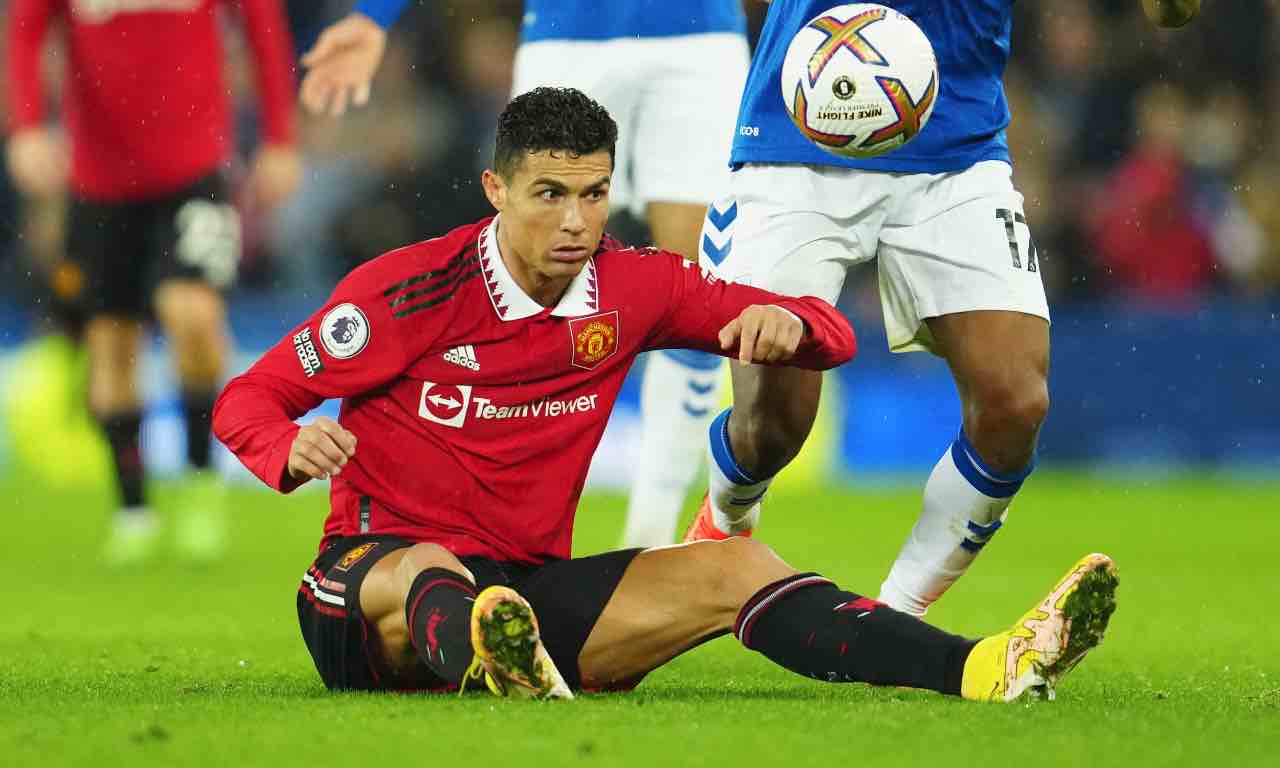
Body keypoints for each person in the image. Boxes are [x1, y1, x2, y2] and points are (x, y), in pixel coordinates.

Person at [213, 87, 1118, 701]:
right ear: (496, 189)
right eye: (549, 194)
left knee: (735, 566)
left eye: (596, 193)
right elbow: (248, 399)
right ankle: (493, 664)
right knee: (431, 571)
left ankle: (990, 668)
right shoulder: (407, 290)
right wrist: (284, 447)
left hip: (527, 595)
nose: (576, 221)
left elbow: (828, 328)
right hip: (364, 588)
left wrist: (794, 330)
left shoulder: (633, 287)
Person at [683, 0, 1199, 619]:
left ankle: (895, 619)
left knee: (1015, 404)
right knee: (773, 425)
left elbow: (1169, 14)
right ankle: (725, 514)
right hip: (799, 129)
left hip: (955, 147)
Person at [296, 0, 752, 547]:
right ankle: (497, 527)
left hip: (699, 37)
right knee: (529, 272)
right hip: (569, 33)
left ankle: (649, 539)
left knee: (694, 280)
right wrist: (375, 15)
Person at [6, 0, 303, 563]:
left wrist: (280, 138)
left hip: (194, 172)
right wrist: (25, 128)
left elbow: (264, 28)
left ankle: (199, 480)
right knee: (113, 348)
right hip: (99, 183)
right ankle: (133, 510)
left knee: (193, 318)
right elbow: (24, 31)